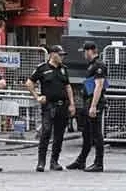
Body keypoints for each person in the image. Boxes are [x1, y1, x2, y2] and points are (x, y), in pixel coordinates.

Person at [26, 45, 75, 172]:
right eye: (60, 55)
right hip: (49, 105)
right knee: (46, 132)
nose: (62, 57)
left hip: (62, 105)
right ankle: (41, 162)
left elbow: (68, 86)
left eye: (63, 55)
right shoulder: (42, 68)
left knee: (59, 135)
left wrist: (72, 104)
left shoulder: (63, 69)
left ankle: (54, 161)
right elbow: (29, 83)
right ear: (52, 54)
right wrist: (37, 96)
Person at [67, 41, 108, 172]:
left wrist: (93, 106)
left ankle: (99, 163)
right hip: (88, 101)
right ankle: (81, 161)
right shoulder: (92, 65)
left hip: (94, 103)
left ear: (91, 51)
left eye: (85, 51)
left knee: (96, 134)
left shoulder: (99, 65)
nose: (84, 54)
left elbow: (99, 86)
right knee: (86, 133)